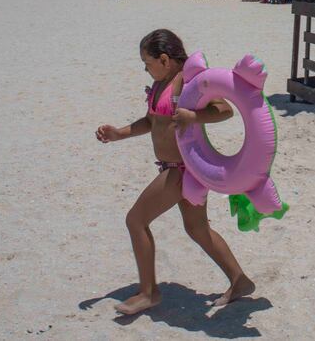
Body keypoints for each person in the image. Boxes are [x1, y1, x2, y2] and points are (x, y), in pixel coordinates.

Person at [95, 29, 254, 314]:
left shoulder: (188, 81)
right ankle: (239, 280)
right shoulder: (159, 84)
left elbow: (224, 110)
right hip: (175, 170)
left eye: (147, 63)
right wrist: (119, 133)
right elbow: (150, 122)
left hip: (180, 170)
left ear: (165, 59)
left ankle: (148, 293)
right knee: (197, 229)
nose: (145, 69)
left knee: (135, 221)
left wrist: (194, 116)